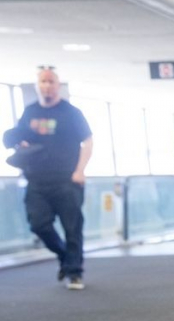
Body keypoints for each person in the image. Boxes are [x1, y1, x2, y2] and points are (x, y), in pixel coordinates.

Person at [2, 67, 93, 289]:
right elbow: (19, 138)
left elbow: (88, 141)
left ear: (57, 85)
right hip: (36, 180)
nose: (47, 85)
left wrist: (80, 170)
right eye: (43, 81)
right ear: (37, 85)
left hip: (67, 179)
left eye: (51, 81)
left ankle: (74, 272)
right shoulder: (30, 112)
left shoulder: (71, 112)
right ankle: (64, 256)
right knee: (38, 224)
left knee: (72, 228)